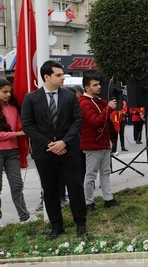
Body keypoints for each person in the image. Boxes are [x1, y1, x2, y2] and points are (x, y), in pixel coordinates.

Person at [22, 60, 88, 239]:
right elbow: (28, 126)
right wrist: (49, 144)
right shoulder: (31, 98)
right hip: (45, 153)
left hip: (69, 151)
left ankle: (81, 224)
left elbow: (77, 122)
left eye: (62, 75)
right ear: (46, 77)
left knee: (75, 187)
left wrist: (63, 142)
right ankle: (56, 226)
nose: (62, 78)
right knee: (50, 190)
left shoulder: (69, 96)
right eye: (58, 75)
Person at [79, 73, 118, 212]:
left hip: (103, 142)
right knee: (90, 175)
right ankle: (89, 202)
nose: (99, 87)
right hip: (93, 144)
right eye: (95, 85)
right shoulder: (84, 102)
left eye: (99, 84)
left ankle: (108, 198)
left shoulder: (97, 100)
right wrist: (108, 108)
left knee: (106, 172)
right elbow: (95, 122)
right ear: (87, 88)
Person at [0, 78, 35, 227]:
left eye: (10, 91)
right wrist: (18, 134)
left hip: (12, 152)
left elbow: (22, 127)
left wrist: (26, 135)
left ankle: (24, 216)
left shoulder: (13, 108)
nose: (8, 94)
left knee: (17, 185)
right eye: (4, 92)